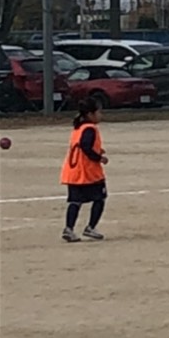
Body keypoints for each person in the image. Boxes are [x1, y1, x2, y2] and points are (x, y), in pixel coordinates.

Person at [60, 102, 109, 243]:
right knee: (100, 198)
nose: (101, 115)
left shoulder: (78, 128)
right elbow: (85, 147)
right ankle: (91, 227)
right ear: (90, 114)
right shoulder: (90, 128)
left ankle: (68, 229)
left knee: (75, 201)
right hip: (87, 172)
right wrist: (99, 158)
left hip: (73, 171)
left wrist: (97, 150)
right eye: (99, 112)